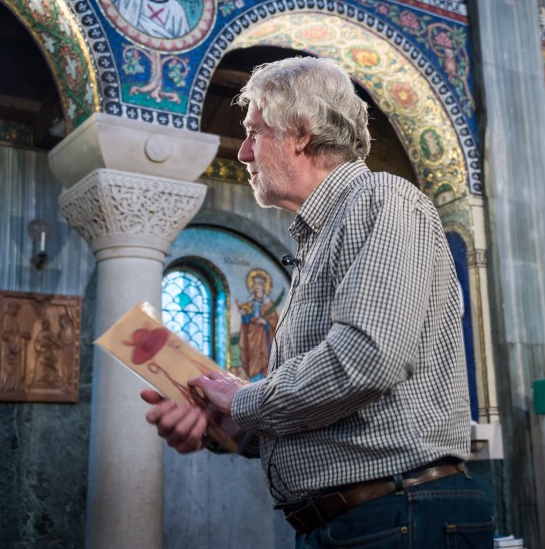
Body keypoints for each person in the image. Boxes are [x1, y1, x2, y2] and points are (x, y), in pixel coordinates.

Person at [142, 57, 492, 547]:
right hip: (362, 519)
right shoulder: (323, 234)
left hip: (399, 513)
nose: (243, 152)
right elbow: (336, 416)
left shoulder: (381, 199)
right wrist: (225, 425)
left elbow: (367, 359)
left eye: (254, 132)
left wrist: (243, 400)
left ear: (301, 133)